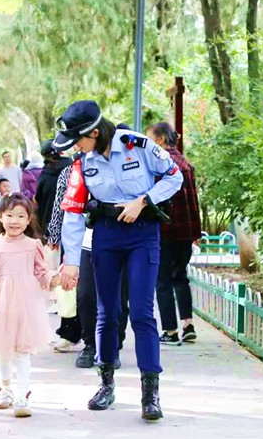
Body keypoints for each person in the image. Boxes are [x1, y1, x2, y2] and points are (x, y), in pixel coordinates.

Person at [55, 100, 182, 421]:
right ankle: (106, 383)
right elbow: (72, 214)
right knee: (107, 312)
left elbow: (174, 176)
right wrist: (71, 262)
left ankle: (150, 393)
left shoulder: (138, 145)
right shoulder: (82, 164)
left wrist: (144, 200)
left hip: (142, 234)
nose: (76, 147)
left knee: (141, 313)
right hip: (106, 236)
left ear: (95, 132)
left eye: (78, 140)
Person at [0, 193, 60, 417]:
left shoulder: (33, 245)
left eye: (21, 216)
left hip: (26, 306)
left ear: (29, 220)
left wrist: (55, 278)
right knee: (3, 350)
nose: (15, 221)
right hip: (1, 306)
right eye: (10, 215)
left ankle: (22, 395)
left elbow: (41, 272)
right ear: (0, 216)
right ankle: (5, 389)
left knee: (22, 351)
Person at [47, 154, 128, 366]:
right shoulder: (73, 170)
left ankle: (112, 347)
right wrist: (57, 238)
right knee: (85, 296)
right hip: (85, 241)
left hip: (121, 241)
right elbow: (62, 206)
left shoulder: (122, 165)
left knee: (118, 298)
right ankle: (90, 344)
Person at [147, 122, 202, 346]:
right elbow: (194, 201)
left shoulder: (159, 164)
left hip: (165, 231)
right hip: (186, 232)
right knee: (180, 277)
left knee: (162, 281)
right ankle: (188, 324)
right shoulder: (185, 163)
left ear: (160, 139)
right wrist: (196, 232)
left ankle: (170, 331)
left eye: (149, 138)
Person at [35, 139, 70, 237]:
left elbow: (38, 197)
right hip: (71, 218)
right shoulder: (73, 166)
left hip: (49, 220)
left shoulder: (45, 174)